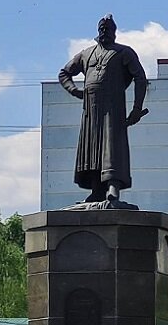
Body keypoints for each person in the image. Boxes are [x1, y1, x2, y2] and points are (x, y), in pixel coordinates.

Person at [58, 14, 148, 203]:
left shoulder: (124, 52)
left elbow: (140, 77)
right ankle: (96, 189)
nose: (105, 32)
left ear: (115, 32)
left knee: (112, 147)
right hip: (90, 110)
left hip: (113, 109)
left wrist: (137, 108)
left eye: (109, 29)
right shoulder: (86, 54)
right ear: (98, 31)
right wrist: (74, 91)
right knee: (91, 147)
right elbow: (64, 73)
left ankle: (113, 188)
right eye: (102, 29)